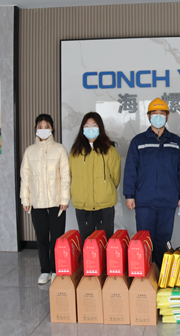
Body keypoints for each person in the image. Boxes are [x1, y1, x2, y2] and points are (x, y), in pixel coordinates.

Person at [123, 98, 180, 269]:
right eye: (154, 114)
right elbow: (130, 170)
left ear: (167, 116)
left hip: (168, 200)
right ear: (148, 116)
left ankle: (160, 274)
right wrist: (129, 195)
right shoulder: (138, 141)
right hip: (144, 200)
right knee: (144, 241)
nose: (158, 117)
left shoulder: (176, 142)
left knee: (163, 241)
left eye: (162, 114)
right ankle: (144, 275)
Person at [20, 114, 70, 284]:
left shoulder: (60, 149)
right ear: (35, 129)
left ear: (52, 128)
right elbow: (25, 178)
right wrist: (25, 200)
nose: (43, 129)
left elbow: (65, 176)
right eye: (40, 126)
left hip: (57, 203)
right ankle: (44, 270)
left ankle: (56, 269)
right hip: (37, 202)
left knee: (57, 238)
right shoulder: (29, 151)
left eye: (46, 126)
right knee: (41, 239)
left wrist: (65, 199)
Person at [69, 112, 121, 242]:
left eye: (94, 125)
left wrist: (105, 189)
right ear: (82, 128)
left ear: (100, 128)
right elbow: (71, 175)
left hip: (104, 204)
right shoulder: (75, 151)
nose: (90, 129)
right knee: (87, 244)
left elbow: (115, 178)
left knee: (105, 242)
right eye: (87, 126)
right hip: (83, 205)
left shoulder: (110, 150)